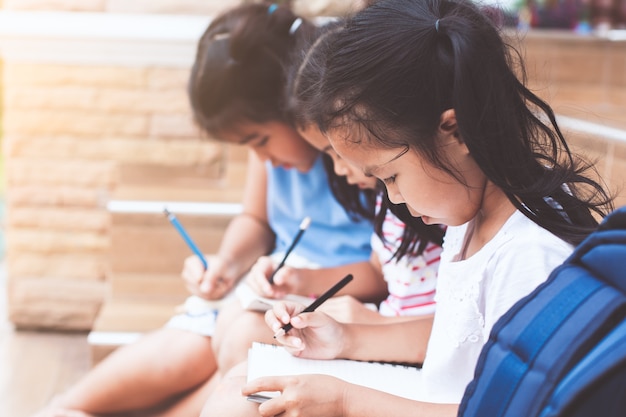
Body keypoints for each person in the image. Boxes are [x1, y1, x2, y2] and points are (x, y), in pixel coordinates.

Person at [197, 0, 615, 416]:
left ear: (455, 129)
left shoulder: (529, 255)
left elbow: (509, 410)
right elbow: (462, 339)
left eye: (391, 177)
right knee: (241, 386)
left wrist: (345, 401)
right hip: (431, 394)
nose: (392, 199)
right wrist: (344, 338)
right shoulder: (471, 211)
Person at [32, 4, 386, 417]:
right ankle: (63, 407)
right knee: (187, 347)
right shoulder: (272, 157)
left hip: (330, 297)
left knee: (239, 348)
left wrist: (301, 281)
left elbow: (381, 275)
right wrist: (227, 264)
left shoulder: (361, 163)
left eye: (260, 139)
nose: (263, 157)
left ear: (296, 103)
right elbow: (255, 220)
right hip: (269, 285)